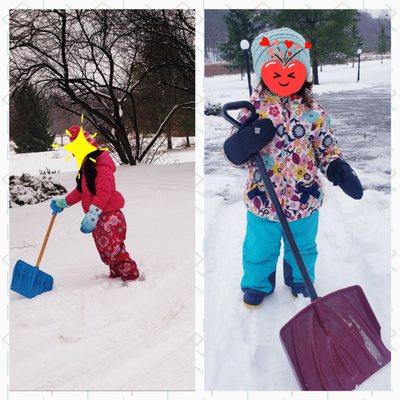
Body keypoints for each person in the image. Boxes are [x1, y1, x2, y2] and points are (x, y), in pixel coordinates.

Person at [237, 27, 363, 306]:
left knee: (304, 248)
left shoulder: (313, 112)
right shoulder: (252, 109)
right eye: (275, 72)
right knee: (259, 248)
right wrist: (240, 145)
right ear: (262, 72)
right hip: (263, 199)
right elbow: (238, 154)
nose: (283, 78)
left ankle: (299, 278)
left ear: (304, 73)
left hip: (303, 198)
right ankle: (258, 284)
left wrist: (337, 168)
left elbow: (326, 147)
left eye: (291, 72)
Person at [50, 125, 140, 282]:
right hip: (100, 217)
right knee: (106, 248)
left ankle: (130, 274)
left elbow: (103, 193)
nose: (74, 155)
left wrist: (92, 214)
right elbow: (81, 191)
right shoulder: (88, 168)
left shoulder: (102, 168)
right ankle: (117, 273)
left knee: (112, 248)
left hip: (109, 216)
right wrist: (64, 202)